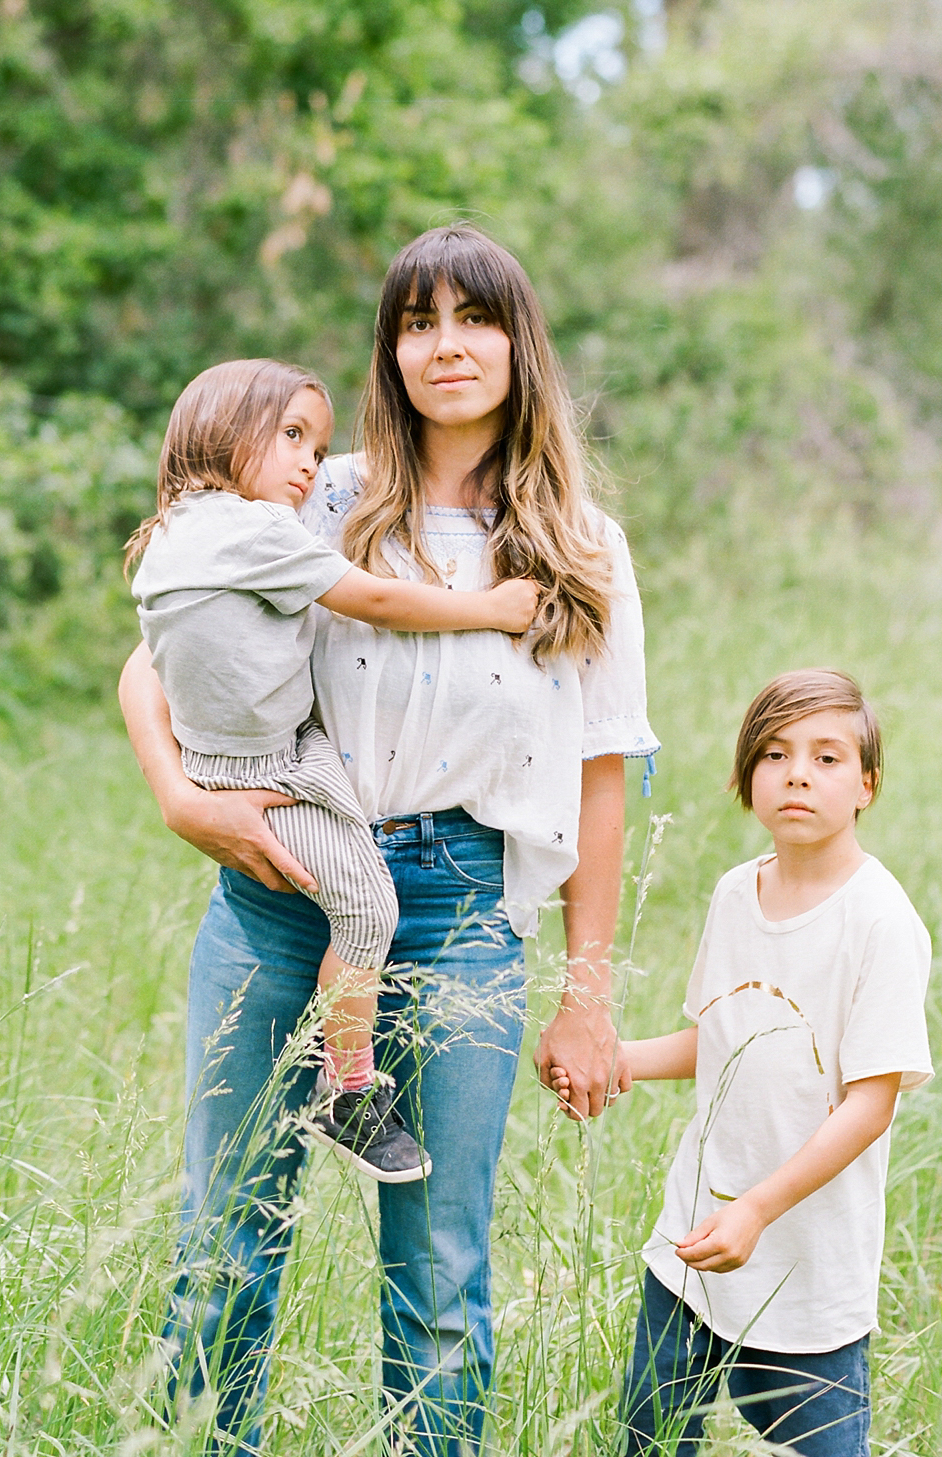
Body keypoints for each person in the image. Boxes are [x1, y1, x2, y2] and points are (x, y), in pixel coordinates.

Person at [118, 222, 659, 1456]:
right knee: (225, 1241)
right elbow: (149, 668)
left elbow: (602, 770)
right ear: (390, 349)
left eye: (473, 318)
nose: (446, 345)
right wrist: (182, 798)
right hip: (282, 891)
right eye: (418, 321)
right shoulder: (326, 492)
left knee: (444, 1276)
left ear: (519, 344)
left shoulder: (582, 544)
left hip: (466, 913)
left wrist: (587, 991)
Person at [126, 354, 541, 1182]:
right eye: (290, 436)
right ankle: (344, 1085)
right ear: (221, 433)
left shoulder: (169, 535)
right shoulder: (256, 528)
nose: (311, 463)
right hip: (273, 768)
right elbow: (375, 599)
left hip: (262, 751)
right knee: (364, 905)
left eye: (317, 443)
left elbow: (156, 663)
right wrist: (489, 608)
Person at [610, 668, 932, 1457]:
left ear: (867, 784)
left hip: (805, 1260)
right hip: (694, 1238)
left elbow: (870, 1103)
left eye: (827, 757)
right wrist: (619, 1060)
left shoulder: (881, 920)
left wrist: (758, 1208)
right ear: (746, 775)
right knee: (647, 1437)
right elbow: (723, 1041)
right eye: (776, 753)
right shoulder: (733, 894)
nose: (797, 773)